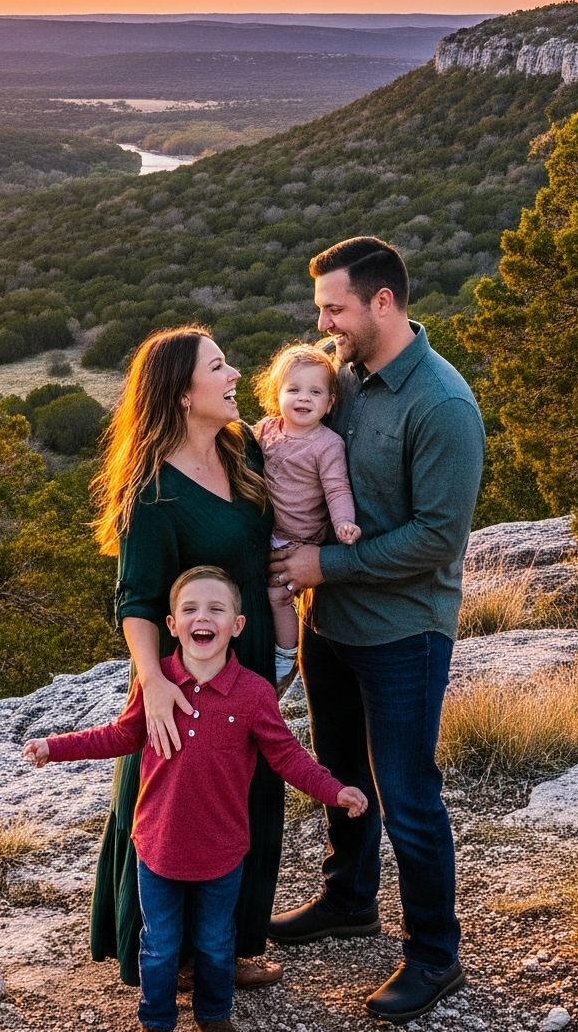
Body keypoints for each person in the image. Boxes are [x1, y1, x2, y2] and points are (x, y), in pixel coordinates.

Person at [268, 235, 485, 1023]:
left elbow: (438, 537)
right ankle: (349, 899)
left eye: (335, 307)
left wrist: (323, 564)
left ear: (382, 303)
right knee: (342, 771)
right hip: (332, 627)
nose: (323, 321)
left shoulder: (443, 404)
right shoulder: (344, 378)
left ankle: (435, 954)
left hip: (403, 632)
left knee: (408, 793)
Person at [28, 566, 369, 1032]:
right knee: (161, 944)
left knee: (214, 942)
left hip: (223, 851)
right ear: (171, 625)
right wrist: (55, 747)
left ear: (237, 625)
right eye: (188, 609)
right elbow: (118, 736)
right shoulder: (157, 686)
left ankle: (213, 1016)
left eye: (215, 609)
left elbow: (287, 756)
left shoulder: (252, 693)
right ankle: (157, 1019)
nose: (200, 618)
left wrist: (335, 789)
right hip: (157, 848)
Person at [87, 326, 290, 993]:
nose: (235, 374)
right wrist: (154, 686)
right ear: (180, 392)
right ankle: (168, 955)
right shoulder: (153, 492)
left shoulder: (244, 449)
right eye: (218, 366)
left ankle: (228, 947)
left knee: (247, 799)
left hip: (250, 657)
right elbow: (138, 599)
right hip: (185, 675)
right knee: (179, 811)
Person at [252, 341, 358, 686]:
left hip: (297, 539)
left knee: (277, 595)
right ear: (276, 393)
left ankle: (285, 656)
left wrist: (343, 522)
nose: (303, 398)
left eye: (315, 392)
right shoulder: (267, 430)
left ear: (330, 403)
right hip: (263, 529)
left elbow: (337, 488)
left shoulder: (327, 444)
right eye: (293, 389)